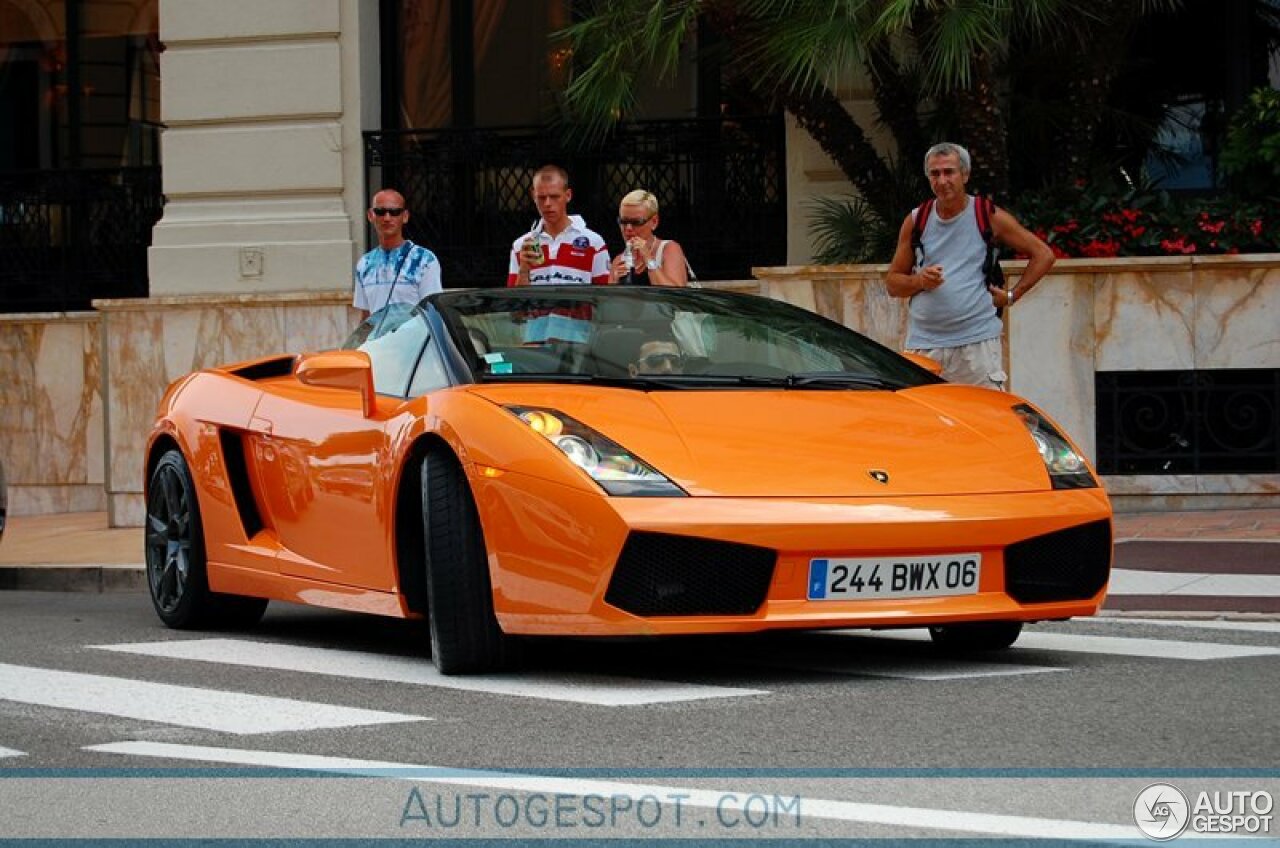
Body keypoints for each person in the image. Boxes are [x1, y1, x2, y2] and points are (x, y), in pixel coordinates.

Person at [885, 142, 1055, 390]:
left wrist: (1011, 295)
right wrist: (920, 281)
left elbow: (1043, 254)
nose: (942, 181)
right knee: (928, 426)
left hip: (977, 346)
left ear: (965, 175)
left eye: (949, 172)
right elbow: (893, 284)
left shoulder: (986, 215)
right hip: (924, 346)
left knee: (987, 422)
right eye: (935, 174)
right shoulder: (916, 220)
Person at [508, 165, 610, 287]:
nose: (548, 204)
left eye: (554, 197)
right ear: (533, 196)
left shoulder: (594, 243)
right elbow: (514, 303)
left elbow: (605, 297)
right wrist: (524, 270)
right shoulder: (520, 246)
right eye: (541, 197)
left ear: (568, 195)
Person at [352, 188, 442, 320]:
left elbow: (433, 312)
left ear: (405, 216)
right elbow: (366, 318)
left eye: (394, 212)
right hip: (379, 341)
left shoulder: (425, 261)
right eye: (380, 212)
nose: (387, 218)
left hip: (413, 339)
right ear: (371, 215)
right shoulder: (364, 264)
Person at [609, 189, 691, 286]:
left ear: (654, 222)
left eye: (636, 222)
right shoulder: (619, 260)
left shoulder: (669, 249)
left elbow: (675, 294)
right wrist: (615, 283)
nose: (628, 228)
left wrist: (649, 260)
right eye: (623, 222)